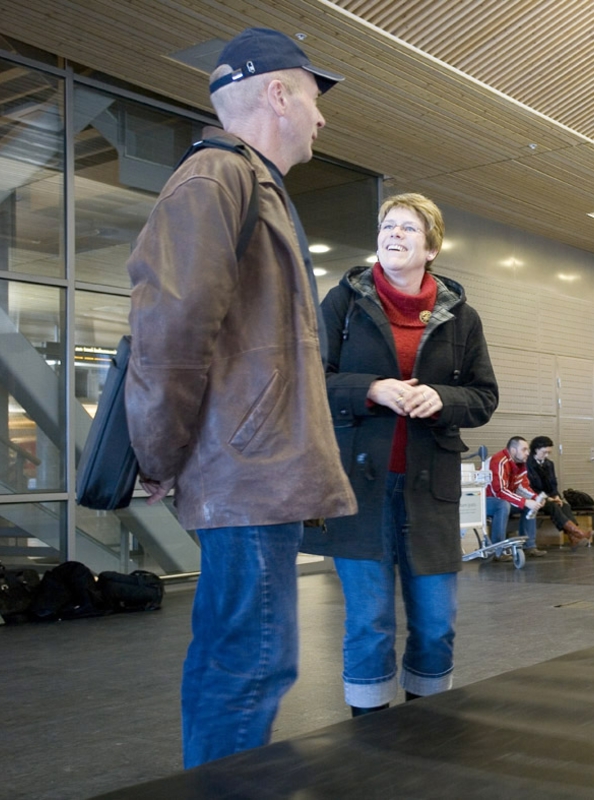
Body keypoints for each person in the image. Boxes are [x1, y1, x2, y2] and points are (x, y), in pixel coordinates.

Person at [124, 28, 356, 767]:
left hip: (256, 473)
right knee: (248, 664)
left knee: (247, 660)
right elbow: (171, 333)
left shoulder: (246, 184)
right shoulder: (214, 181)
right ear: (278, 93)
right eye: (315, 100)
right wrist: (156, 453)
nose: (322, 119)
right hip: (247, 473)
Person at [300, 192, 497, 718]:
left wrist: (443, 398)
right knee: (369, 621)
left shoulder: (462, 317)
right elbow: (310, 380)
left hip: (429, 489)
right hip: (359, 487)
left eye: (409, 228)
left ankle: (426, 722)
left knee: (436, 621)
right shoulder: (342, 303)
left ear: (432, 247)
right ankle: (369, 729)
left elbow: (483, 396)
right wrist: (372, 389)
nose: (394, 235)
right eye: (388, 225)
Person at [526, 436, 593, 550]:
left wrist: (556, 496)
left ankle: (574, 537)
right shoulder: (527, 464)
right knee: (552, 506)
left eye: (549, 453)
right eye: (544, 452)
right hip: (534, 497)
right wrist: (548, 498)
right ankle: (577, 533)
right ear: (536, 449)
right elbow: (529, 486)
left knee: (564, 505)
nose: (546, 455)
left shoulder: (549, 464)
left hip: (548, 496)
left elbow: (553, 483)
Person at [486, 437, 549, 559]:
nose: (528, 453)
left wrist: (534, 497)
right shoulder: (499, 461)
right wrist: (524, 501)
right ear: (513, 451)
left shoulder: (521, 464)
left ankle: (529, 546)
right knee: (503, 505)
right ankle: (498, 550)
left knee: (530, 505)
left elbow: (522, 486)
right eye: (524, 449)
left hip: (504, 499)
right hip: (486, 500)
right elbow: (499, 491)